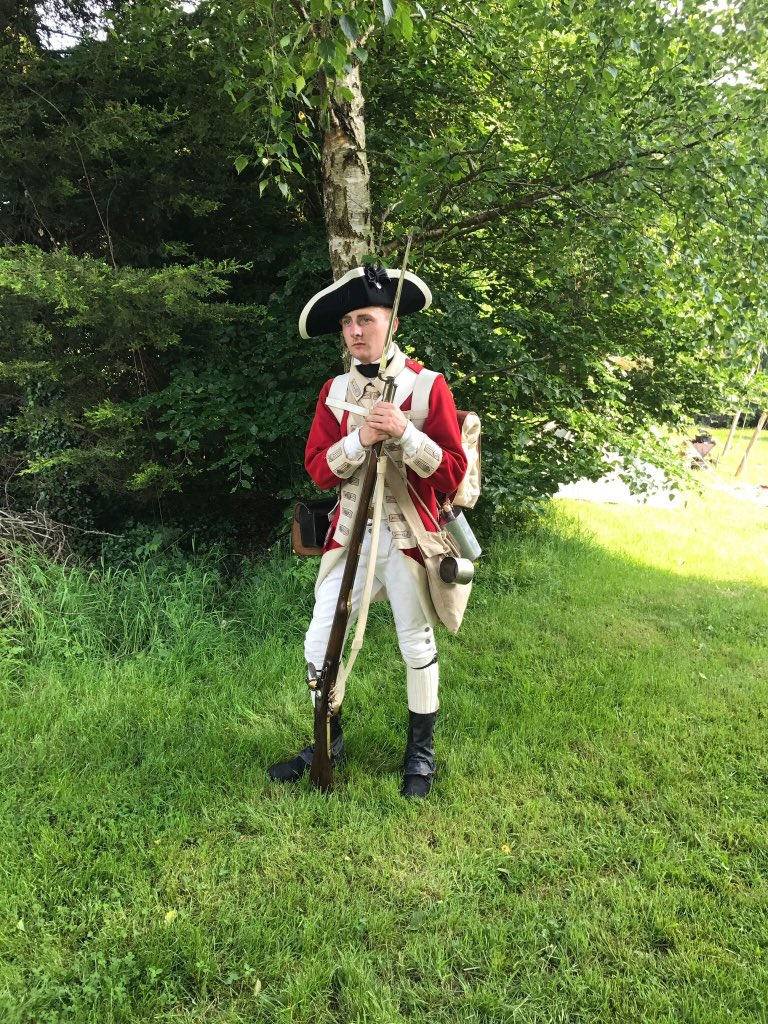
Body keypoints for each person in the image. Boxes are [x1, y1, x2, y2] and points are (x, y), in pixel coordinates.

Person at [267, 264, 468, 798]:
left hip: (407, 538)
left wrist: (403, 431)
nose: (356, 331)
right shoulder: (335, 392)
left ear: (393, 322)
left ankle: (419, 758)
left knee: (415, 645)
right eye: (348, 323)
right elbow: (318, 468)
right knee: (318, 644)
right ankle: (327, 743)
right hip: (350, 535)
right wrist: (359, 439)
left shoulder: (428, 387)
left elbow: (452, 473)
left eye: (367, 319)